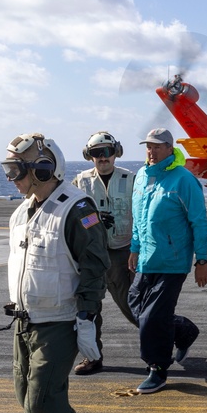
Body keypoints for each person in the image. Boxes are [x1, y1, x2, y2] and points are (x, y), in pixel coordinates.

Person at [0, 132, 108, 413]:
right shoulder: (22, 212)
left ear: (43, 169)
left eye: (17, 170)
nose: (12, 179)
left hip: (59, 322)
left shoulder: (77, 208)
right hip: (24, 322)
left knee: (43, 403)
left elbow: (96, 266)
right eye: (9, 170)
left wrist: (86, 317)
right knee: (27, 405)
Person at [128, 128, 207, 394]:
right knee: (135, 305)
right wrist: (134, 248)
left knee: (153, 317)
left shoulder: (184, 180)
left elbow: (199, 222)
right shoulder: (142, 175)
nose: (151, 152)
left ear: (169, 148)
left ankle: (158, 369)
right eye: (148, 147)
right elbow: (139, 218)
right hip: (146, 258)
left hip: (173, 260)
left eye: (156, 147)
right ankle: (183, 330)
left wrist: (202, 260)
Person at [69, 131, 136, 375]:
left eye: (107, 152)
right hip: (92, 253)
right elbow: (72, 216)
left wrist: (136, 251)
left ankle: (172, 335)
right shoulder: (81, 181)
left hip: (122, 251)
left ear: (115, 152)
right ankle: (92, 358)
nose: (102, 158)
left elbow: (141, 216)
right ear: (90, 156)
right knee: (87, 309)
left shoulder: (131, 179)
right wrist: (94, 221)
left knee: (132, 306)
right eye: (97, 153)